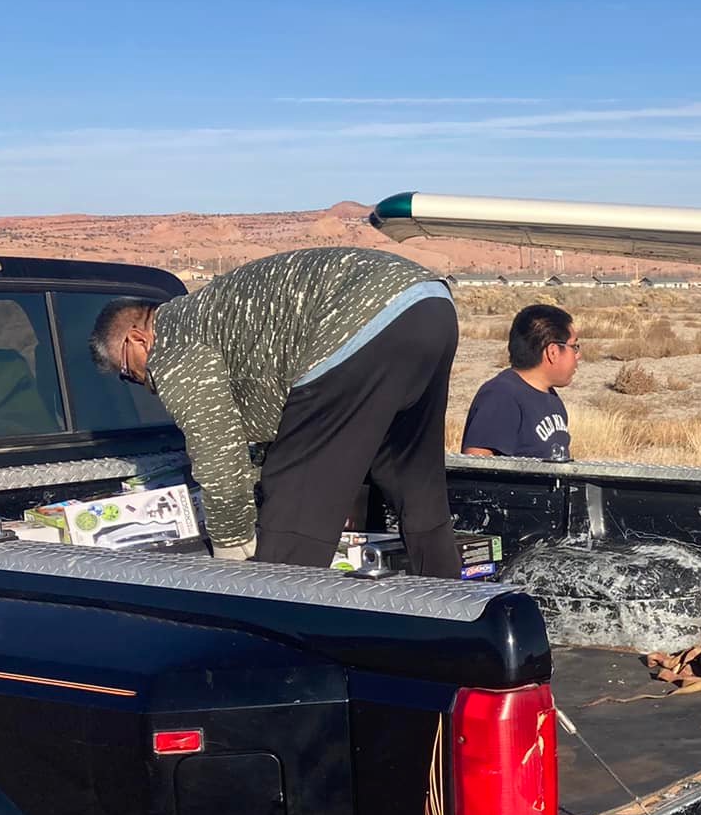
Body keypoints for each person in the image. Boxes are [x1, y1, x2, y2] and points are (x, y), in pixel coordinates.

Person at [90, 247, 461, 577]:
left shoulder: (173, 344)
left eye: (128, 371)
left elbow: (219, 455)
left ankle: (280, 625)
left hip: (360, 315)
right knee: (411, 476)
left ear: (137, 338)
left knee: (294, 489)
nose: (139, 379)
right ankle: (451, 606)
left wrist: (231, 548)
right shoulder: (208, 315)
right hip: (430, 303)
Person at [460, 305, 579, 461]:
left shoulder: (552, 398)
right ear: (553, 352)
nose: (578, 355)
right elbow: (475, 468)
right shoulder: (501, 396)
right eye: (574, 347)